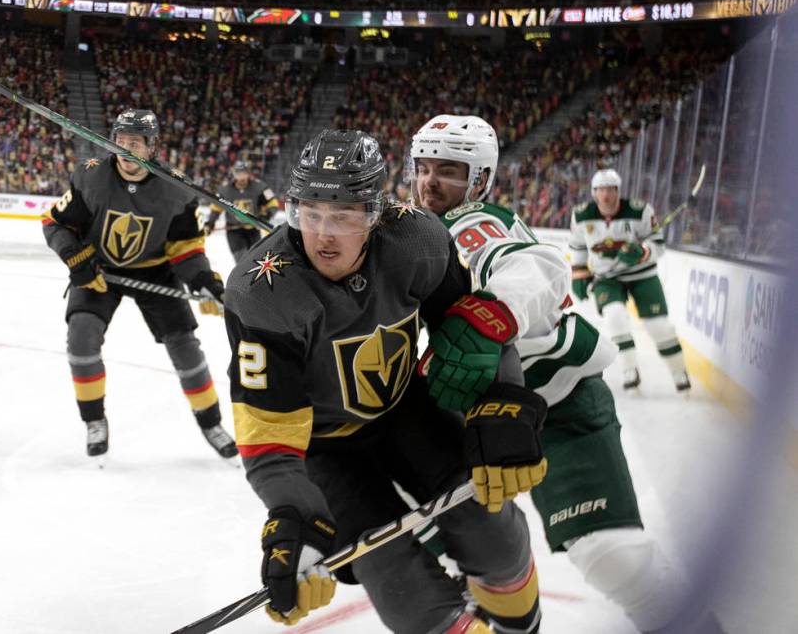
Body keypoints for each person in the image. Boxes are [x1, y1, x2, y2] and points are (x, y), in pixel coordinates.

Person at [225, 129, 547, 634]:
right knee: (404, 593)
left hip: (405, 411)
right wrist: (293, 518)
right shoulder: (263, 294)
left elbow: (472, 329)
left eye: (344, 215)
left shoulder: (418, 241)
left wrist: (501, 400)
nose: (324, 235)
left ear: (375, 214)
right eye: (311, 214)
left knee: (496, 536)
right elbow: (269, 438)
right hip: (325, 450)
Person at [412, 114, 706, 633]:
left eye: (449, 171)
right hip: (461, 419)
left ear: (479, 180)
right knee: (454, 546)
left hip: (555, 399)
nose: (431, 181)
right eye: (423, 167)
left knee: (614, 555)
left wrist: (492, 313)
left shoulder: (473, 223)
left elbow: (532, 266)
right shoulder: (412, 235)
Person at [42, 108, 237, 460]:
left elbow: (187, 249)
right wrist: (76, 259)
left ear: (152, 148)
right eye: (120, 142)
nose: (126, 150)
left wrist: (204, 280)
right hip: (99, 270)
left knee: (185, 348)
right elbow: (55, 224)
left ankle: (211, 423)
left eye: (135, 143)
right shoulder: (92, 177)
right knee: (81, 338)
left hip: (155, 271)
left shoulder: (176, 189)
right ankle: (94, 421)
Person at [568, 168, 690, 392]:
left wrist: (641, 251)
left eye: (610, 190)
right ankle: (629, 370)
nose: (605, 195)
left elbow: (658, 246)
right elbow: (577, 248)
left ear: (618, 191)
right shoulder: (581, 215)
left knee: (659, 327)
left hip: (642, 275)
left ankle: (679, 372)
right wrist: (579, 273)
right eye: (601, 190)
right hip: (607, 278)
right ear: (594, 193)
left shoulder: (640, 211)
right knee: (615, 317)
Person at [203, 160, 277, 262]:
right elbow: (216, 208)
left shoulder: (260, 188)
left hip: (253, 230)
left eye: (244, 173)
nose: (241, 177)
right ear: (233, 174)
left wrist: (266, 215)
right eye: (238, 173)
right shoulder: (225, 191)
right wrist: (210, 223)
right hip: (234, 231)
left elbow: (272, 204)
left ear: (248, 173)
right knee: (242, 260)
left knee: (256, 261)